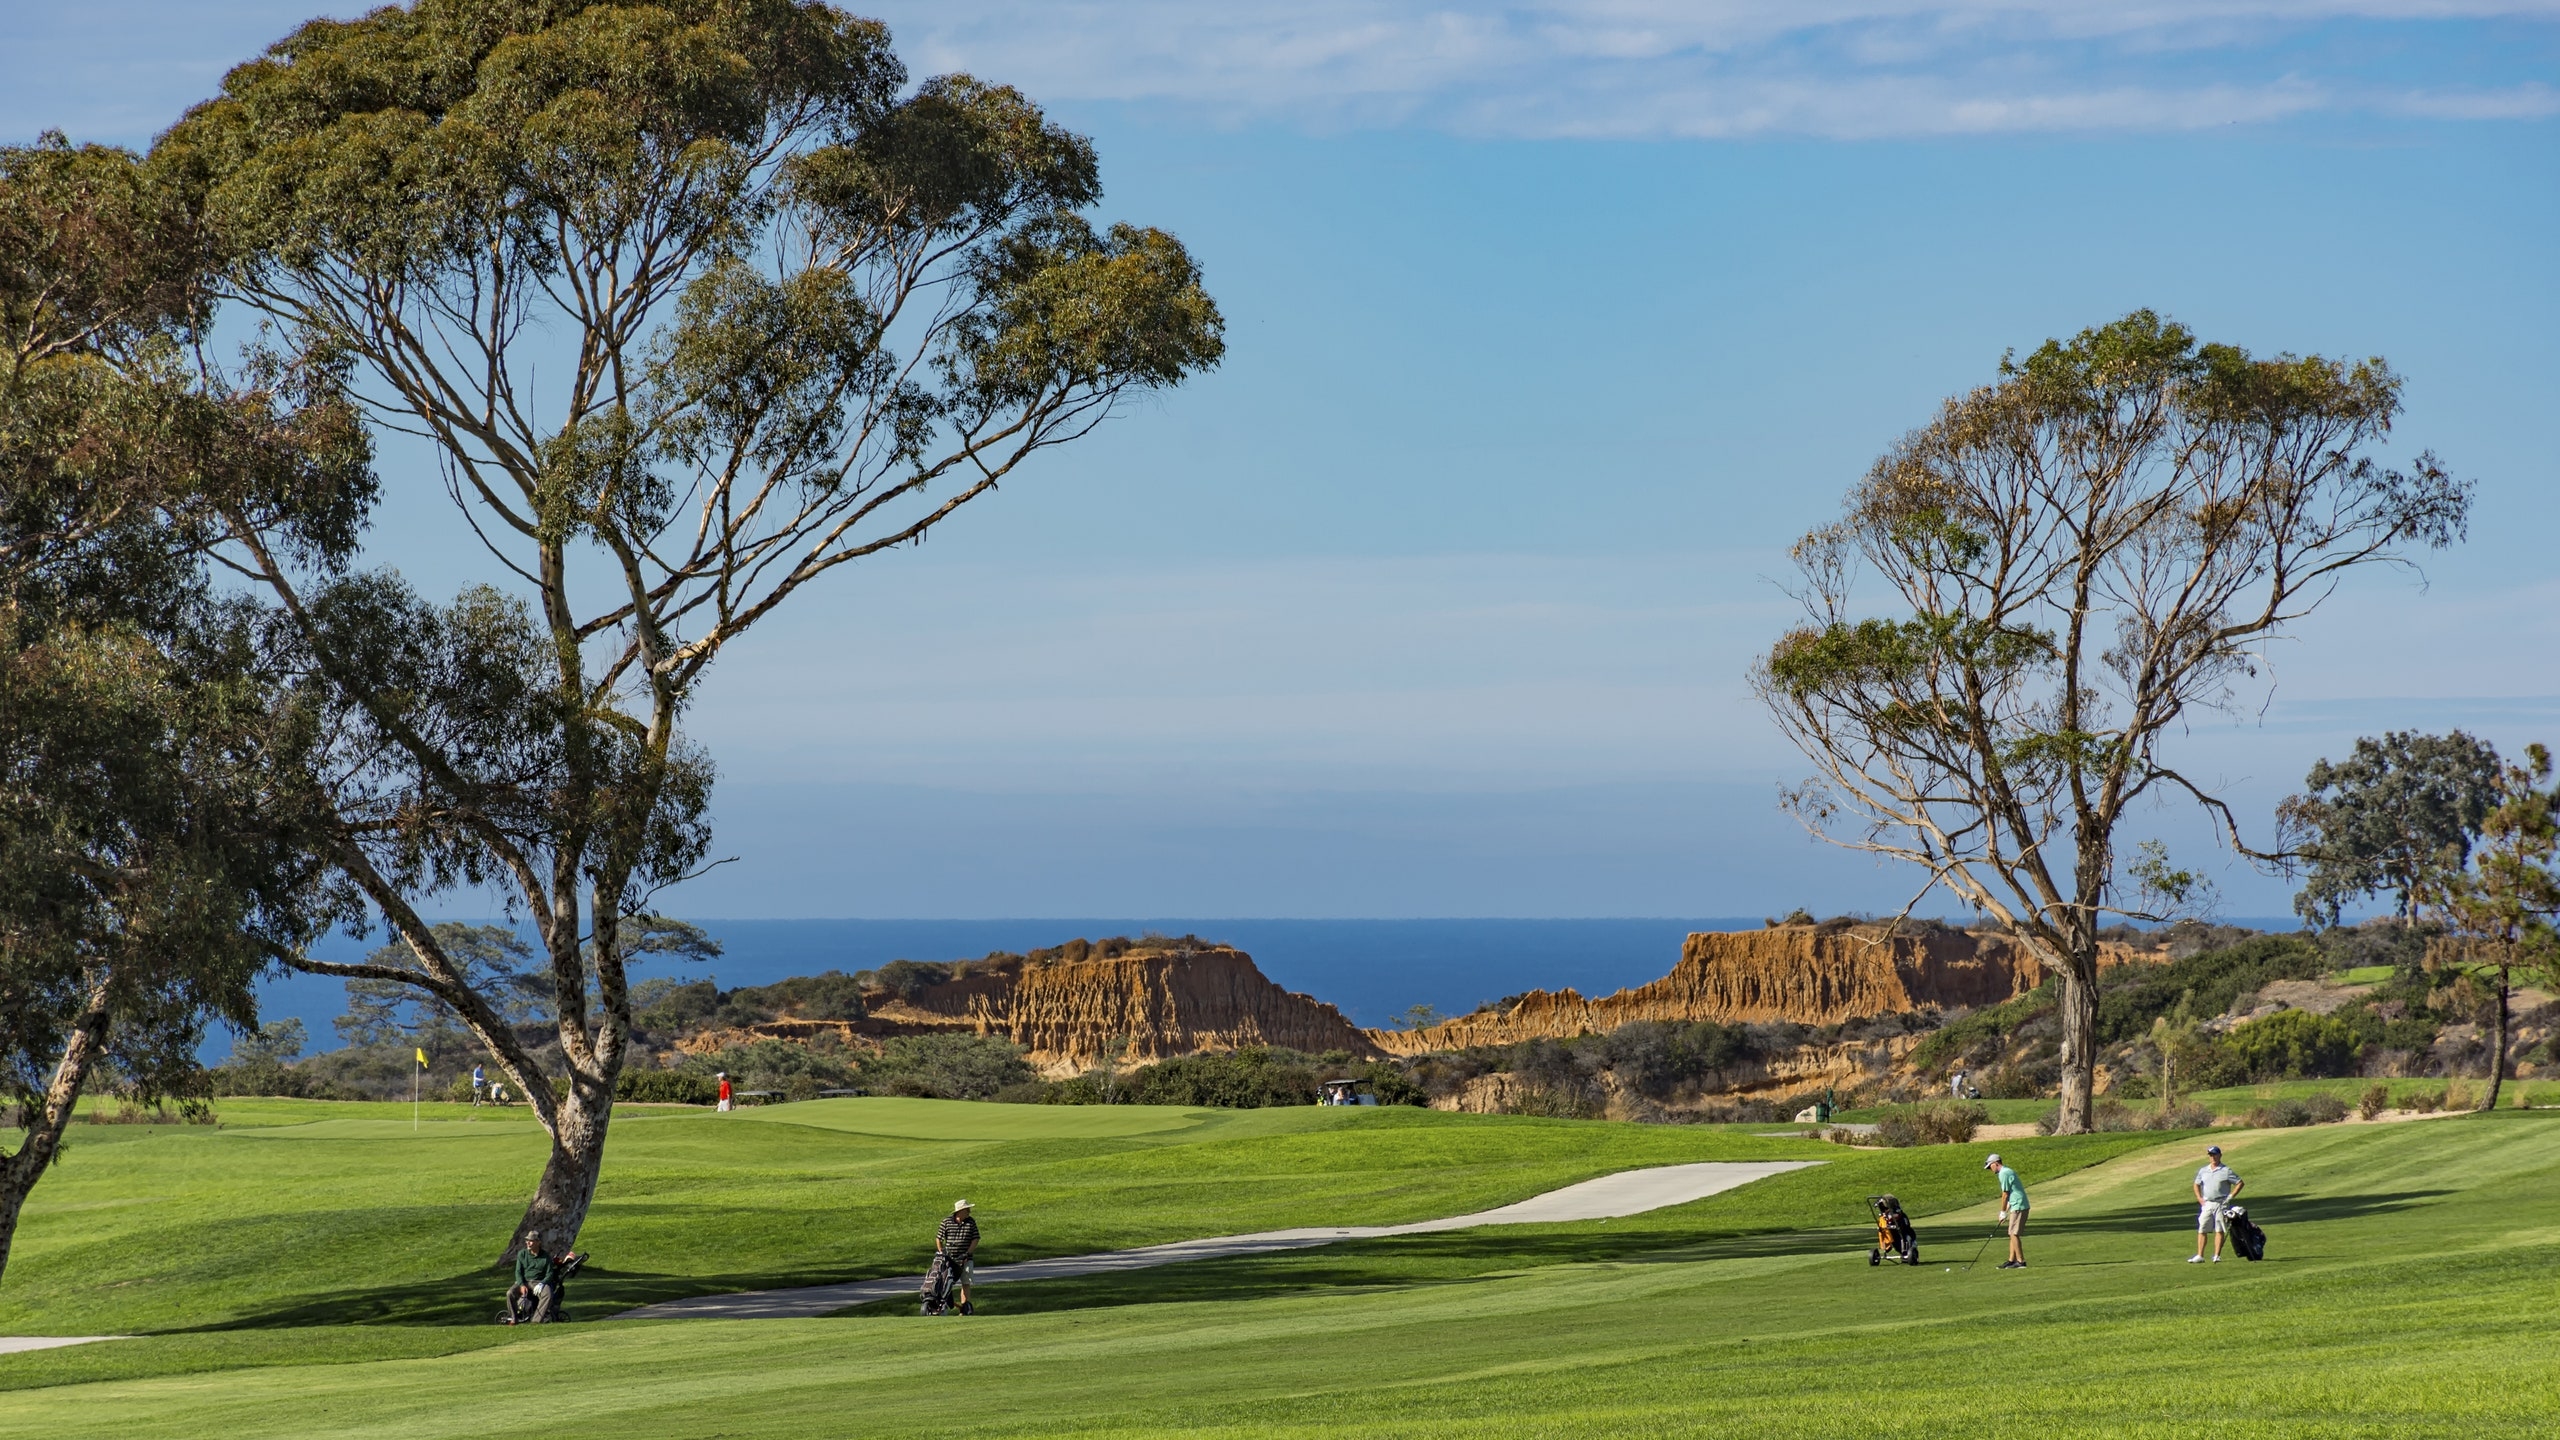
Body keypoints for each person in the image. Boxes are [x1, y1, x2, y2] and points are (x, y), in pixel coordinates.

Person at [2191, 1144, 2244, 1263]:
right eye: (2211, 1155)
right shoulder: (2203, 1170)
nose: (2213, 1157)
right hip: (2207, 1203)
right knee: (2202, 1228)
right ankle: (2200, 1255)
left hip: (2221, 1203)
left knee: (2219, 1229)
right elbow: (2196, 1184)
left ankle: (2216, 1255)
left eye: (2215, 1154)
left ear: (2220, 1155)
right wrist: (2199, 1198)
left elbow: (2239, 1183)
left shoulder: (2226, 1171)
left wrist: (2230, 1196)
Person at [1984, 1152, 2029, 1268]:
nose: (1990, 1169)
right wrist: (2008, 1206)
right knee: (2011, 1233)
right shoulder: (2006, 1172)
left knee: (2013, 1233)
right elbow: (2012, 1191)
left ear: (1996, 1163)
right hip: (2016, 1204)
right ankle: (2011, 1260)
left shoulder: (2004, 1173)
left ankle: (2021, 1261)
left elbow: (2005, 1194)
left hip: (2019, 1205)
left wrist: (2003, 1212)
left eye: (1990, 1166)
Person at [937, 1199, 980, 1314]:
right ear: (960, 1211)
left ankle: (964, 1308)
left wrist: (968, 1253)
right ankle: (944, 1307)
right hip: (949, 1259)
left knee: (966, 1282)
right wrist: (941, 1252)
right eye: (967, 1210)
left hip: (966, 1259)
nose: (969, 1212)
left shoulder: (971, 1222)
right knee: (947, 1282)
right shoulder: (946, 1222)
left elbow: (975, 1239)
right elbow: (939, 1238)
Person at [506, 1233, 555, 1324]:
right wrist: (521, 1285)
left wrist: (542, 1283)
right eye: (527, 1241)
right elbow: (518, 1272)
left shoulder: (545, 1256)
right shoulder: (522, 1254)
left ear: (538, 1242)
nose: (528, 1243)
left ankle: (536, 1320)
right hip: (524, 1281)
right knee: (510, 1293)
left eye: (531, 1241)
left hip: (538, 1282)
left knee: (547, 1294)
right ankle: (514, 1318)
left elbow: (550, 1273)